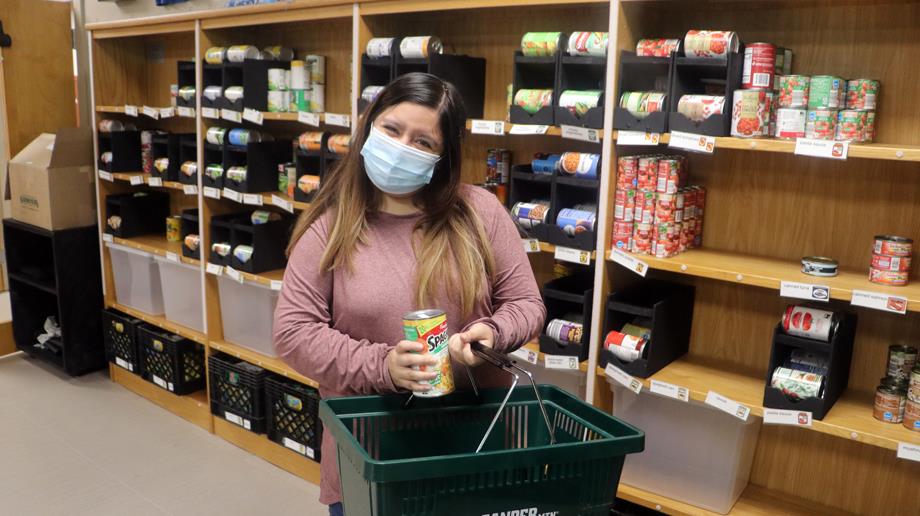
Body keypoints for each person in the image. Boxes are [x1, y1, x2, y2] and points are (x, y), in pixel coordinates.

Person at [272, 72, 545, 515]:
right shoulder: (331, 227)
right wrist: (384, 366)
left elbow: (527, 304)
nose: (401, 148)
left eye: (423, 142)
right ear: (369, 125)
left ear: (444, 155)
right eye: (392, 130)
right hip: (372, 451)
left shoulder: (479, 213)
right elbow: (293, 333)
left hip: (475, 441)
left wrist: (493, 333)